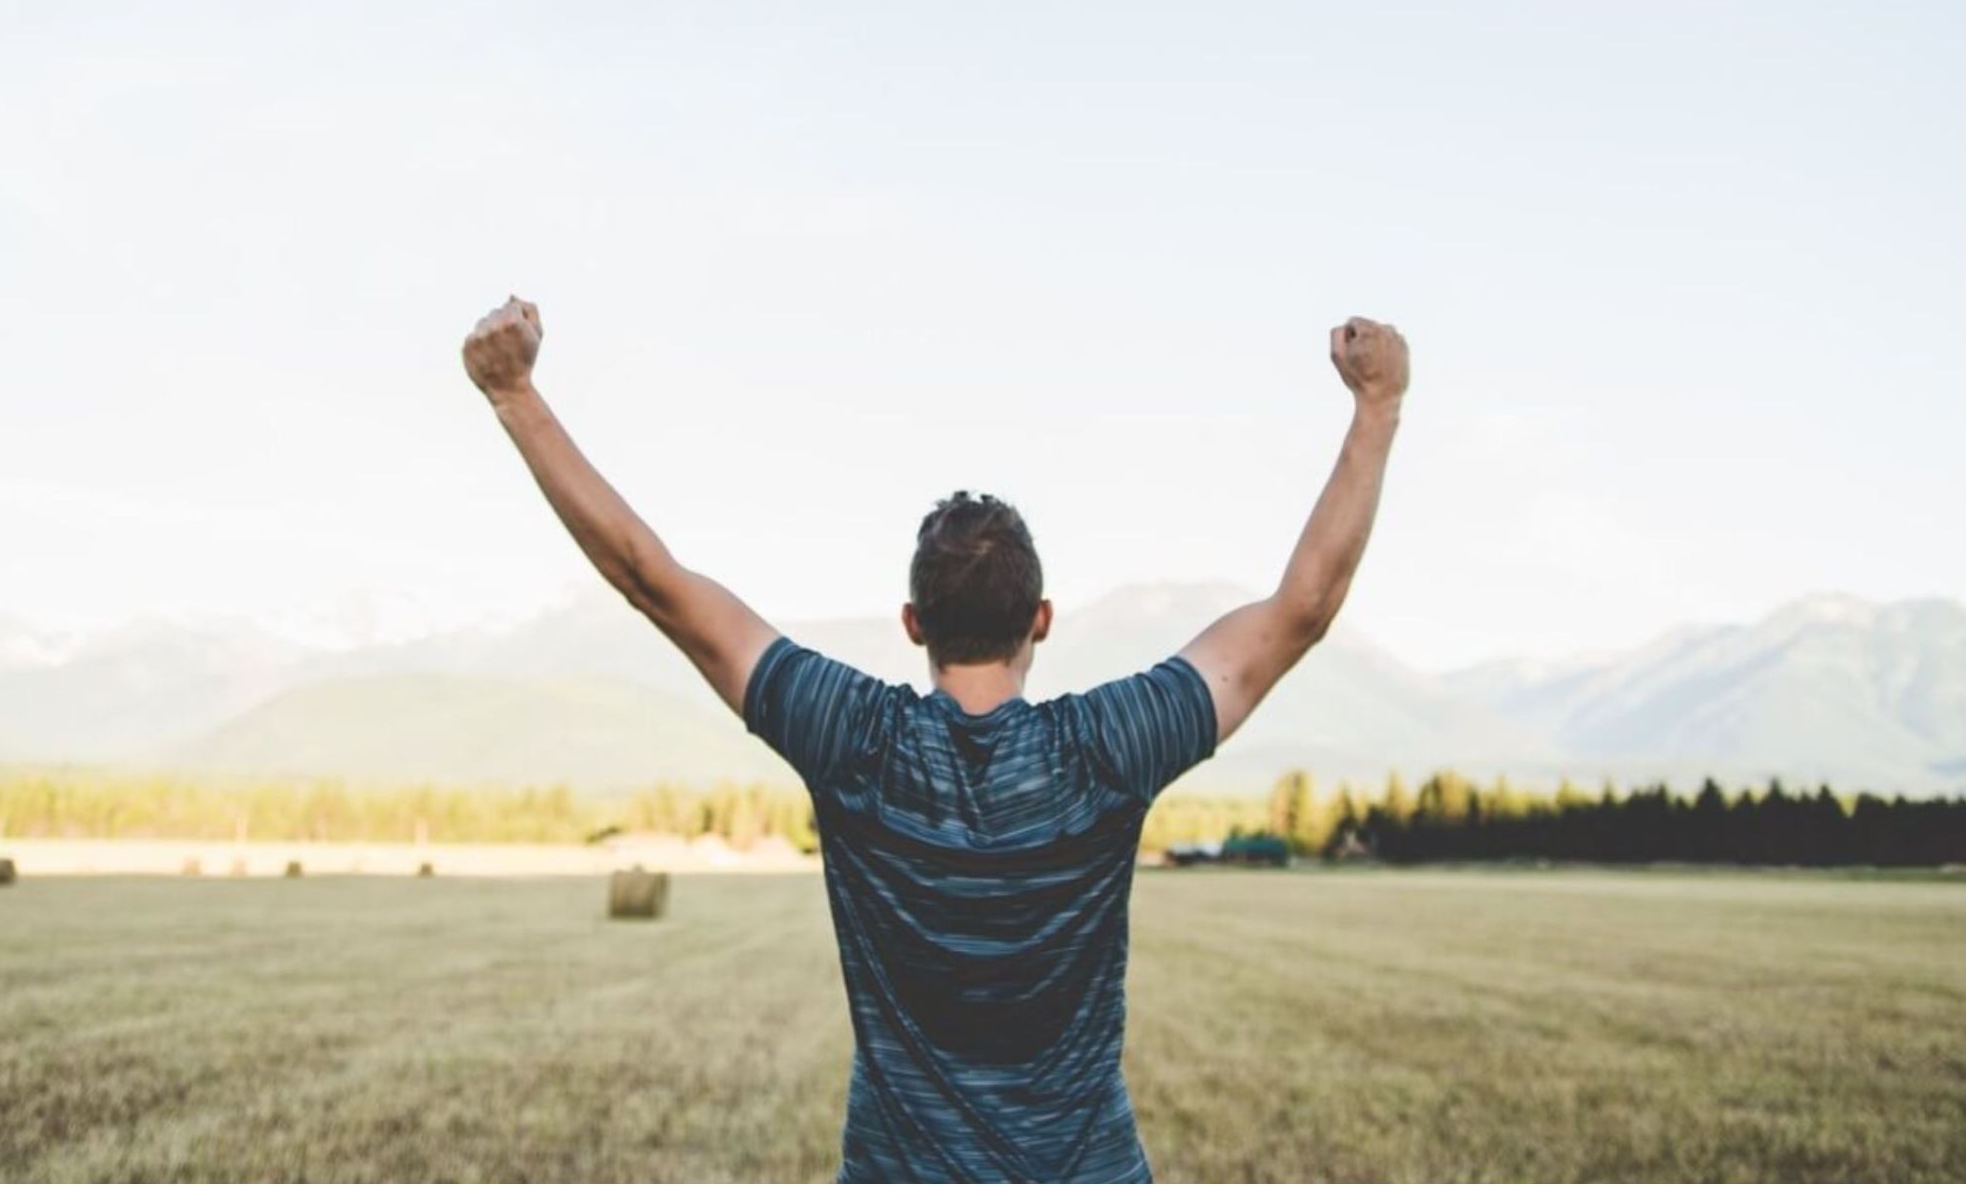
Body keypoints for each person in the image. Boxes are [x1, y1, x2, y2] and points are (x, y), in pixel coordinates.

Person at [463, 295, 1409, 1184]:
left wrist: (516, 396)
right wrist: (1377, 407)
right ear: (1040, 618)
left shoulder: (853, 740)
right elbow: (1303, 610)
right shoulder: (1108, 749)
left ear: (913, 622)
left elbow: (650, 580)